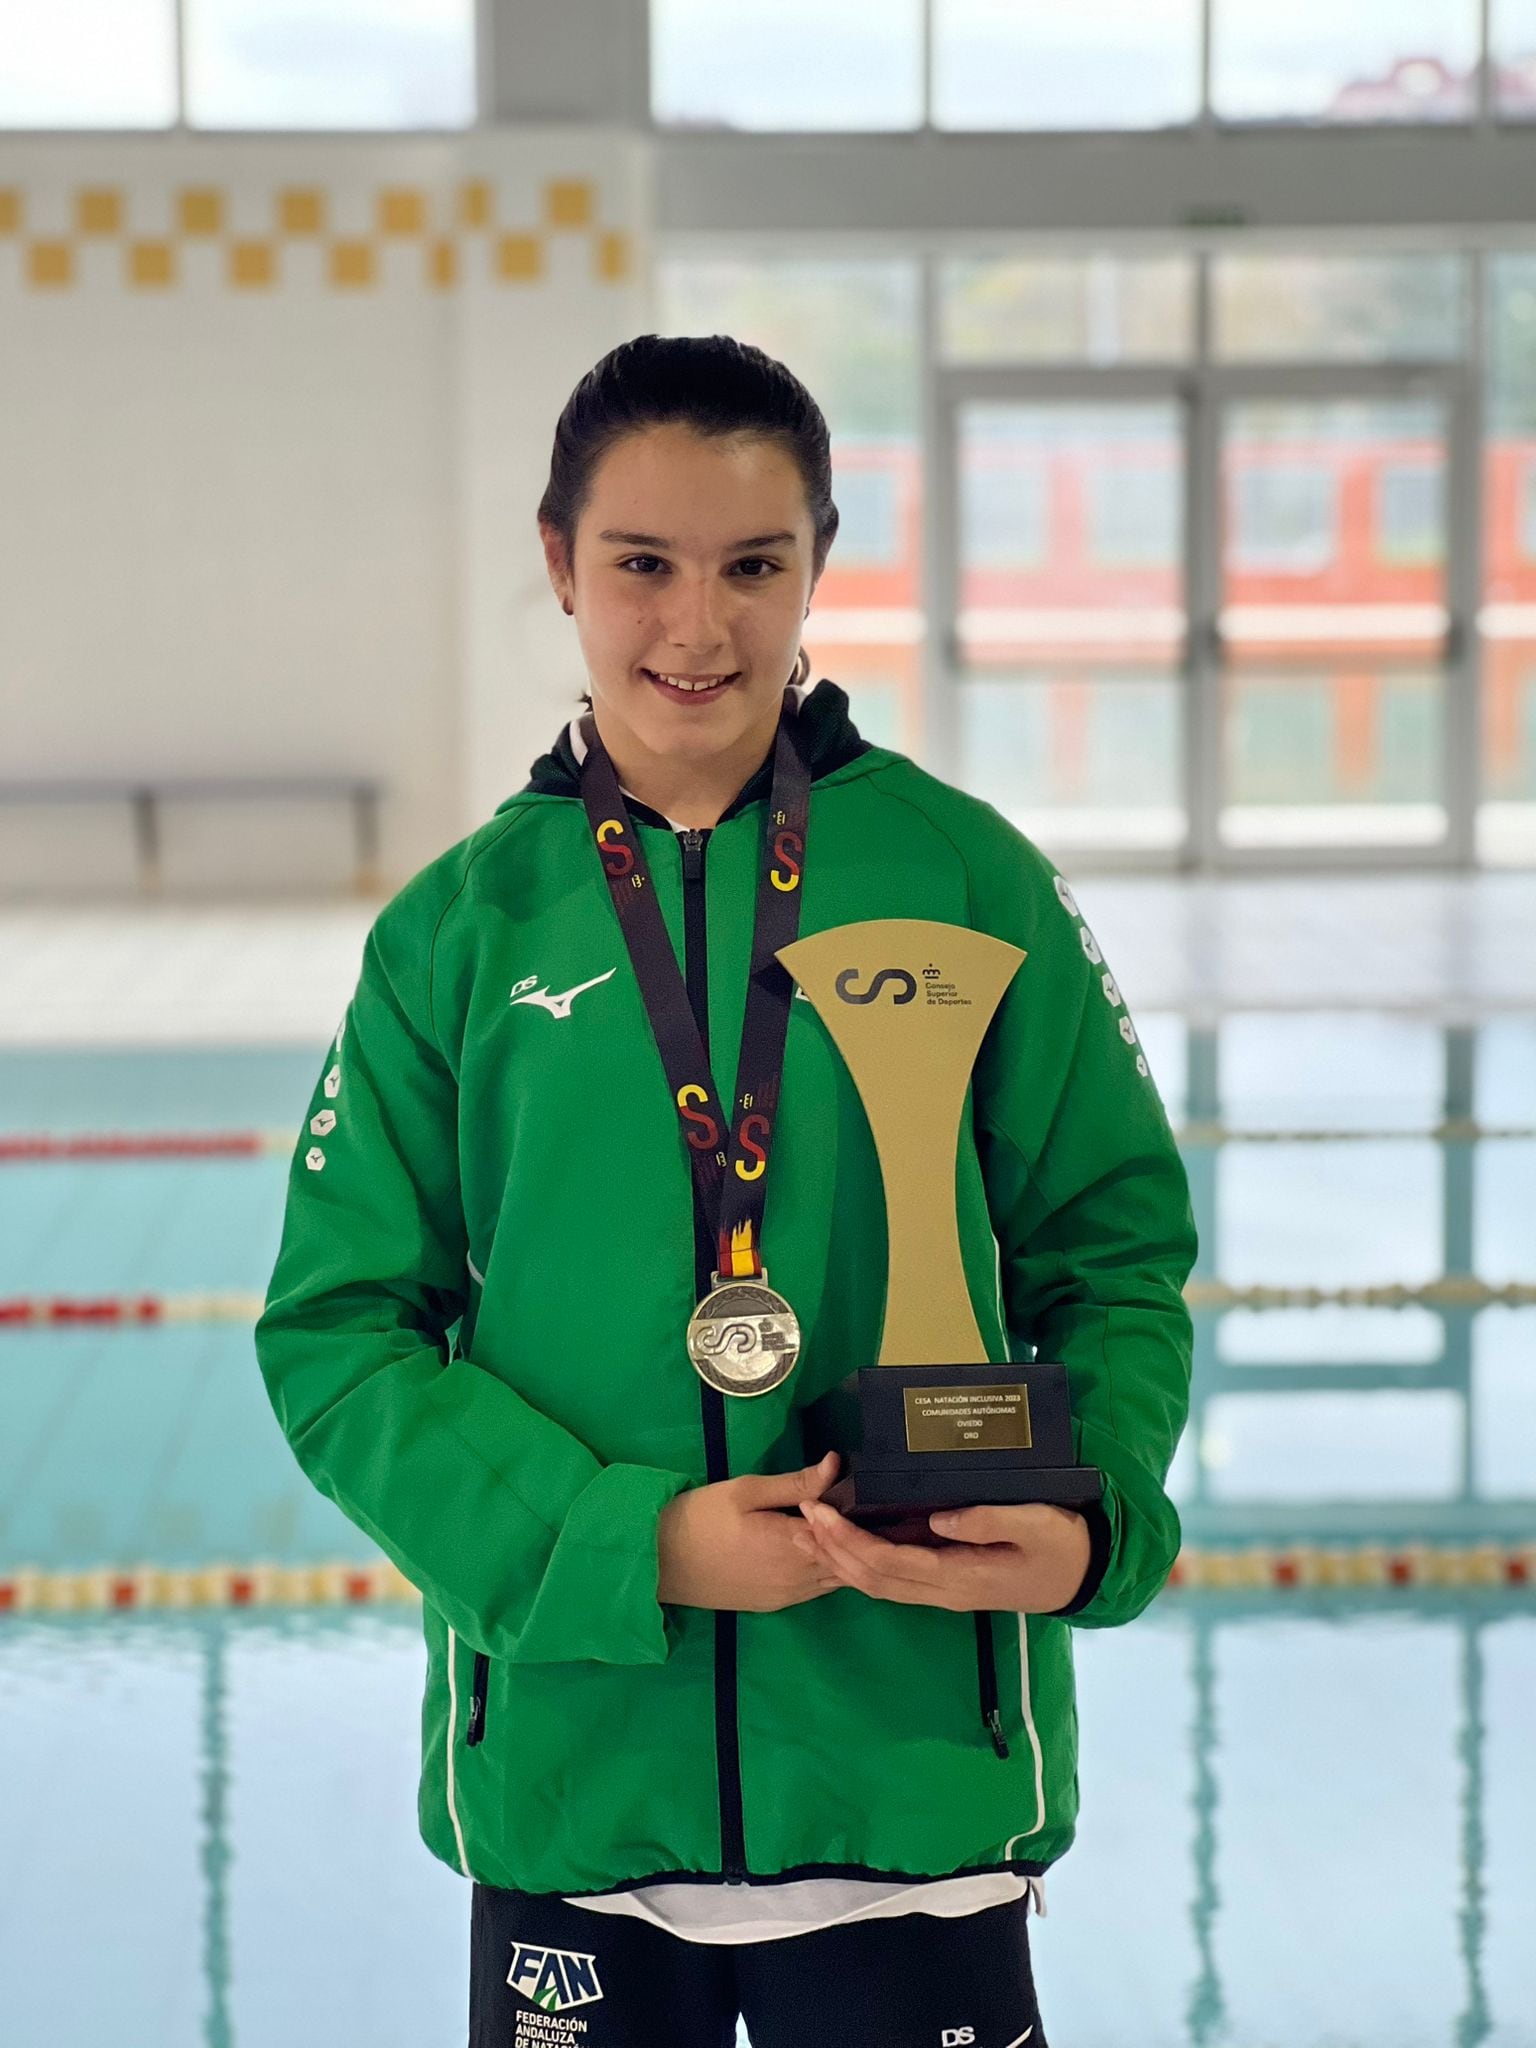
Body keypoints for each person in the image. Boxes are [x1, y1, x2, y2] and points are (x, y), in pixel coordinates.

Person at [254, 332, 1197, 2048]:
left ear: (818, 560)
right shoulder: (464, 933)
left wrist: (1091, 1525)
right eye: (644, 567)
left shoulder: (963, 875)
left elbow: (1114, 1250)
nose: (700, 629)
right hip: (579, 1793)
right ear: (560, 564)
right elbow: (340, 1335)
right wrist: (633, 1544)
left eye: (755, 566)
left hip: (913, 1792)